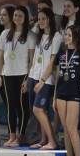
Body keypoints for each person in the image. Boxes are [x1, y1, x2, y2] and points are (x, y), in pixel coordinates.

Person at [36, 25, 80, 156]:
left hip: (75, 94)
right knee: (65, 129)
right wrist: (53, 94)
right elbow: (57, 74)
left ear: (76, 37)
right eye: (66, 34)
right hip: (61, 94)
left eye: (70, 35)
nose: (67, 37)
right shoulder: (62, 52)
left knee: (72, 128)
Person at [0, 5, 35, 147]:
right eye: (15, 15)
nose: (17, 18)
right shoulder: (5, 34)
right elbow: (1, 57)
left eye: (20, 16)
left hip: (22, 74)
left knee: (22, 107)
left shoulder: (30, 36)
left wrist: (28, 79)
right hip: (7, 75)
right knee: (10, 107)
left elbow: (32, 60)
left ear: (25, 19)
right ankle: (12, 136)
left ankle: (21, 135)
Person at [27, 8, 61, 150]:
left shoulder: (57, 36)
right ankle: (43, 140)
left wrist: (42, 81)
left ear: (50, 19)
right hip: (33, 76)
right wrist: (30, 77)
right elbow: (35, 58)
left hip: (46, 80)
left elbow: (52, 62)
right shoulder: (39, 36)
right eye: (39, 18)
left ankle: (52, 141)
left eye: (43, 18)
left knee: (38, 109)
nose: (40, 21)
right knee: (42, 111)